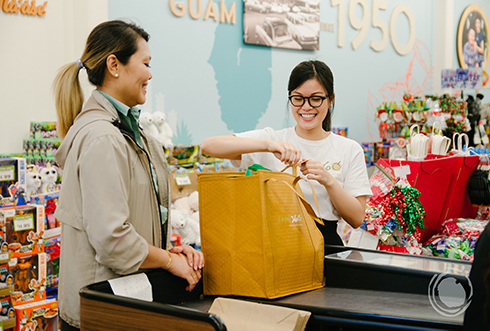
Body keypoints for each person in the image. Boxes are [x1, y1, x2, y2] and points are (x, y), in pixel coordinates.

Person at [52, 20, 204, 330]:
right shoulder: (103, 138)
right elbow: (112, 238)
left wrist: (167, 252)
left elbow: (138, 216)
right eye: (145, 63)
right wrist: (168, 261)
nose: (150, 74)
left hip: (127, 300)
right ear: (114, 65)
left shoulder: (137, 133)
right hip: (103, 310)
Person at [201, 60, 372, 246]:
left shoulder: (349, 148)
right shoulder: (273, 139)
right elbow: (209, 146)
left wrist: (327, 180)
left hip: (324, 246)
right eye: (298, 98)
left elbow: (357, 218)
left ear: (330, 99)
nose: (306, 107)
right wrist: (267, 145)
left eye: (316, 99)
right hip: (275, 246)